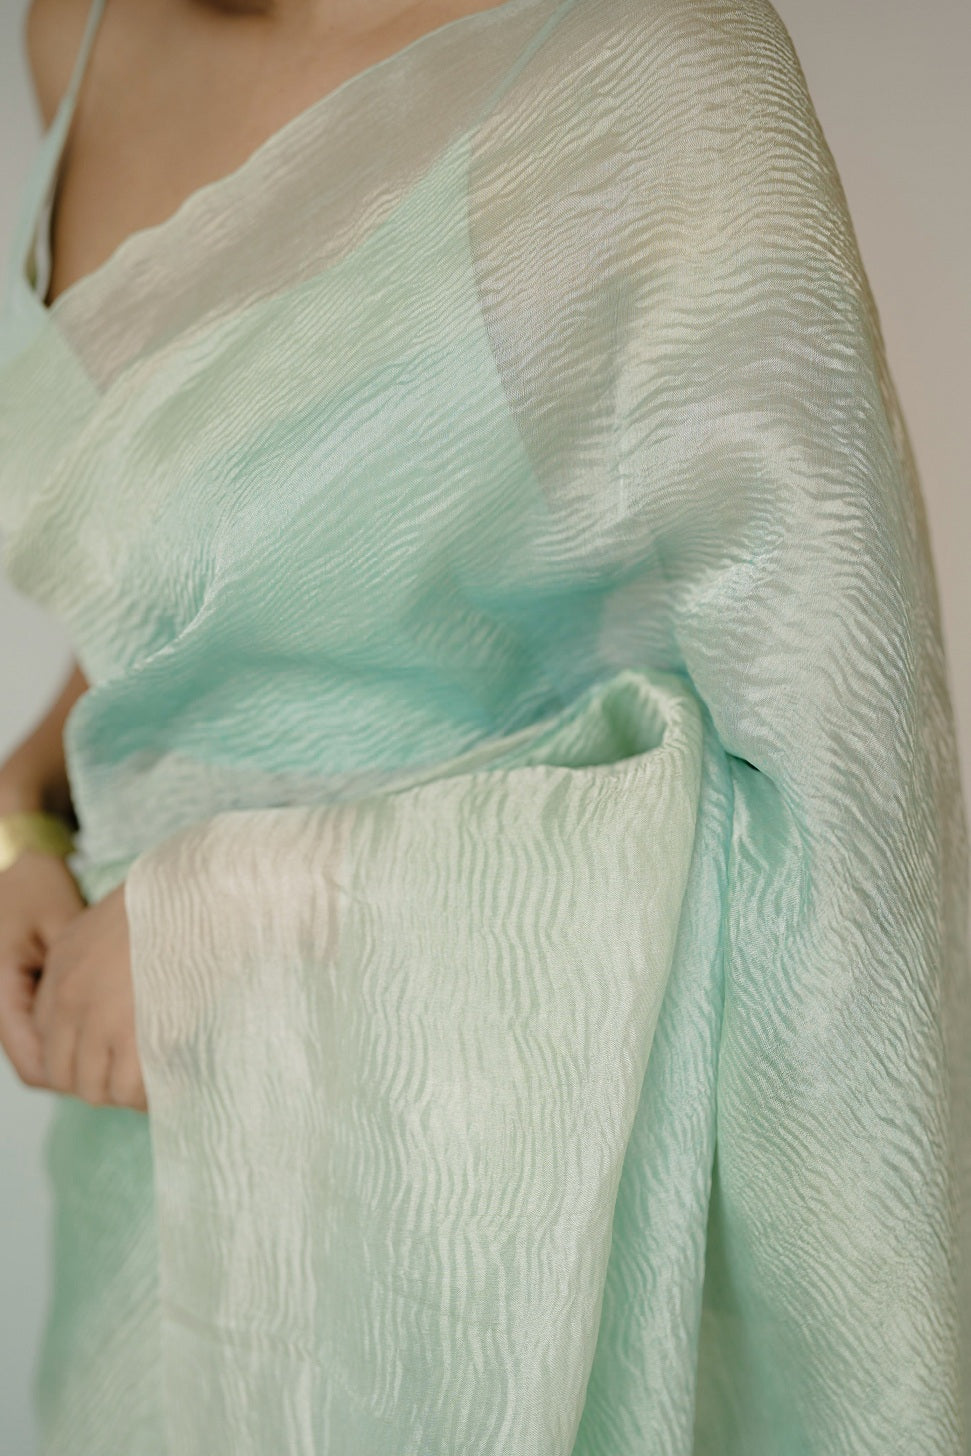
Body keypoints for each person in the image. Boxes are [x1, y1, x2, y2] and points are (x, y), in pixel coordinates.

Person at [0, 0, 968, 1452]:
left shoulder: (650, 76)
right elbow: (196, 599)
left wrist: (244, 916)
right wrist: (24, 809)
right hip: (152, 1192)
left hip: (494, 1224)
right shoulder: (77, 29)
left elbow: (845, 812)